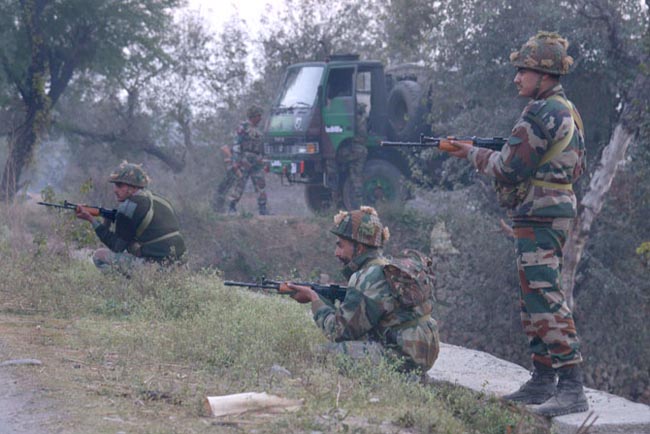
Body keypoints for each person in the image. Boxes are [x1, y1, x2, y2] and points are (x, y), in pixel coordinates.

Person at [446, 32, 588, 417]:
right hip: (546, 212)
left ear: (542, 74)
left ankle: (571, 387)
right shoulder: (566, 110)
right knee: (532, 297)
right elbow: (575, 166)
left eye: (522, 71)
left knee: (544, 296)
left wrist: (471, 154)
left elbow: (508, 169)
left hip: (541, 213)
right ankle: (543, 380)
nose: (516, 79)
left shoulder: (541, 113)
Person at [282, 206, 440, 377]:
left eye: (341, 245)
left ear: (360, 247)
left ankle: (402, 376)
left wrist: (314, 299)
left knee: (318, 355)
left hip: (399, 356)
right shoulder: (386, 267)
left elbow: (338, 331)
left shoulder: (366, 277)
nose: (337, 253)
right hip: (420, 354)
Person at [75, 161, 186, 271]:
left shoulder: (129, 207)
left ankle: (123, 287)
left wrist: (91, 220)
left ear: (132, 187)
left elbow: (116, 247)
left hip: (156, 268)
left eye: (119, 185)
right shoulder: (161, 200)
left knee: (99, 256)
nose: (115, 190)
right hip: (180, 267)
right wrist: (106, 218)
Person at [213, 105, 268, 215]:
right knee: (240, 184)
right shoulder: (243, 127)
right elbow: (237, 144)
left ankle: (263, 208)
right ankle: (232, 206)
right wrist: (236, 160)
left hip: (257, 160)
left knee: (260, 183)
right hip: (244, 160)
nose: (260, 118)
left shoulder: (260, 129)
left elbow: (262, 145)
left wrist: (263, 158)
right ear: (253, 116)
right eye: (258, 116)